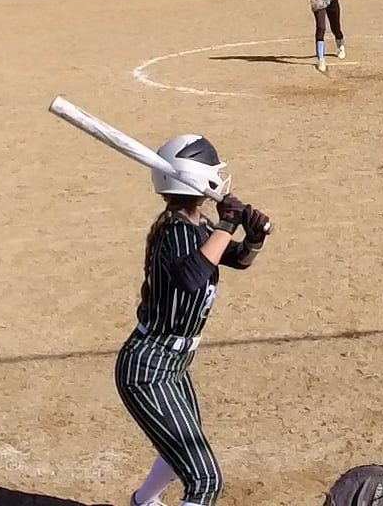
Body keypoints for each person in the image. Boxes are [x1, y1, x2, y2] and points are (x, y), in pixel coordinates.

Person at [114, 134, 270, 506]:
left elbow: (236, 259)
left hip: (173, 363)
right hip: (149, 367)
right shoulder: (175, 232)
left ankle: (143, 502)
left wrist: (253, 238)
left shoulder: (197, 228)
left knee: (181, 449)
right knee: (205, 479)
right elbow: (191, 276)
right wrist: (227, 224)